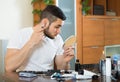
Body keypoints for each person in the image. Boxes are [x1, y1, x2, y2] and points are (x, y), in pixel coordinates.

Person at [5, 5, 74, 72]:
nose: (59, 31)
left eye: (60, 27)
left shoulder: (57, 39)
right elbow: (9, 67)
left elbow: (61, 69)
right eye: (56, 27)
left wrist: (66, 61)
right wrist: (31, 43)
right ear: (45, 22)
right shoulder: (20, 35)